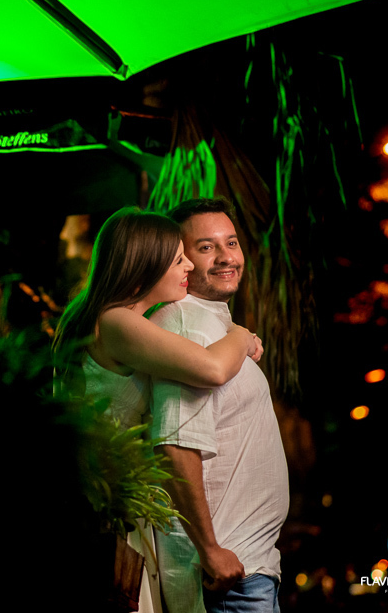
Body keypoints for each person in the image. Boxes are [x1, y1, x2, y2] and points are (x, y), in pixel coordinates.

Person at [53, 207, 262, 613]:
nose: (187, 265)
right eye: (177, 258)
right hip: (113, 519)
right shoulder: (116, 322)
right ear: (144, 265)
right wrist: (240, 334)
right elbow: (212, 368)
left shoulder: (106, 319)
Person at [150, 197, 289, 613]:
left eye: (231, 242)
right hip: (227, 578)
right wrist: (210, 549)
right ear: (181, 260)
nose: (226, 257)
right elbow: (175, 443)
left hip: (245, 568)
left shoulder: (215, 323)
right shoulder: (185, 324)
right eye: (206, 247)